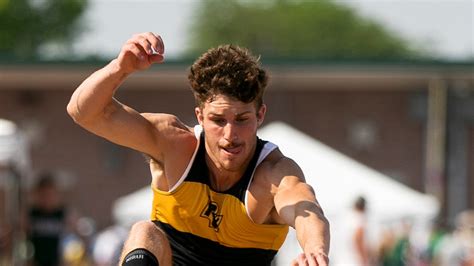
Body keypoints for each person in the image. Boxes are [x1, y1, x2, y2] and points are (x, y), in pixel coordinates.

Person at [67, 32, 330, 266]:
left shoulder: (272, 174)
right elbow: (84, 113)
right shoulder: (173, 144)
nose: (230, 136)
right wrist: (119, 68)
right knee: (144, 232)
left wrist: (315, 251)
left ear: (260, 115)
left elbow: (306, 210)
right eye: (218, 120)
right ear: (200, 116)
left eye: (242, 120)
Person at [27, 173, 69, 266]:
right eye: (43, 195)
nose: (47, 198)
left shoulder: (63, 215)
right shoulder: (31, 215)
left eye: (50, 194)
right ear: (37, 195)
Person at [336, 196, 371, 266]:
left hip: (341, 262)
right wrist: (365, 261)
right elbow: (358, 240)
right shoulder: (360, 218)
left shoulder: (346, 218)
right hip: (355, 262)